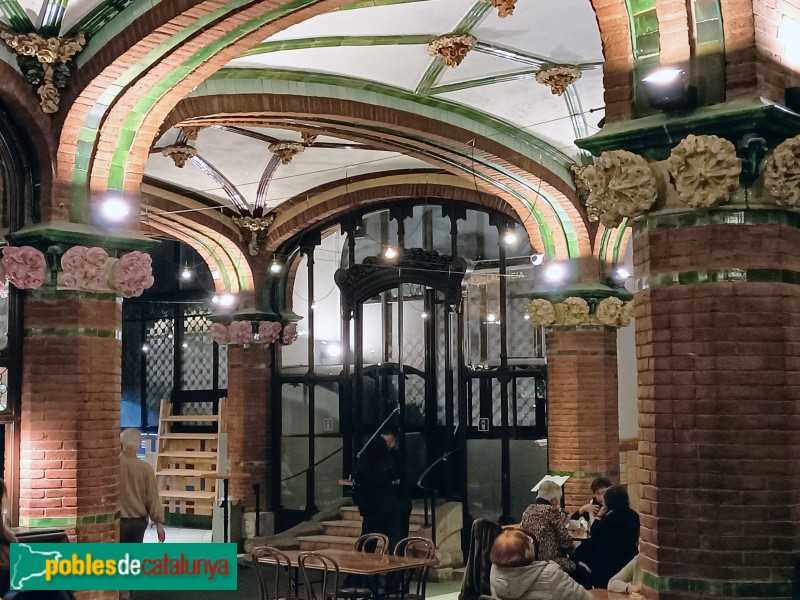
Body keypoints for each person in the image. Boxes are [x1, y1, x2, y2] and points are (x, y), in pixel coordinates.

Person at [353, 424, 410, 550]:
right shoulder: (387, 465)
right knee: (393, 541)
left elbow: (358, 489)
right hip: (388, 507)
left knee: (368, 542)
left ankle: (365, 566)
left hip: (373, 509)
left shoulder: (364, 467)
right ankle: (394, 567)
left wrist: (363, 505)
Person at [490, 530, 591, 600]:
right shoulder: (550, 573)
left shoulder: (494, 571)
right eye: (529, 542)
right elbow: (583, 597)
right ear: (528, 552)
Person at [577, 485, 640, 589]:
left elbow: (595, 533)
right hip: (628, 555)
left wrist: (599, 516)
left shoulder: (610, 518)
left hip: (609, 561)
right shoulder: (633, 515)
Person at [120, 429, 166, 544]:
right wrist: (159, 524)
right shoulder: (146, 468)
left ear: (121, 444)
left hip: (118, 520)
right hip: (138, 522)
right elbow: (152, 498)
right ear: (139, 446)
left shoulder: (113, 466)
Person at [519, 481, 575, 573]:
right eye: (558, 499)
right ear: (553, 500)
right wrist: (574, 553)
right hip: (549, 561)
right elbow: (565, 540)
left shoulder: (527, 510)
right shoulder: (551, 511)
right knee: (582, 571)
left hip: (531, 560)